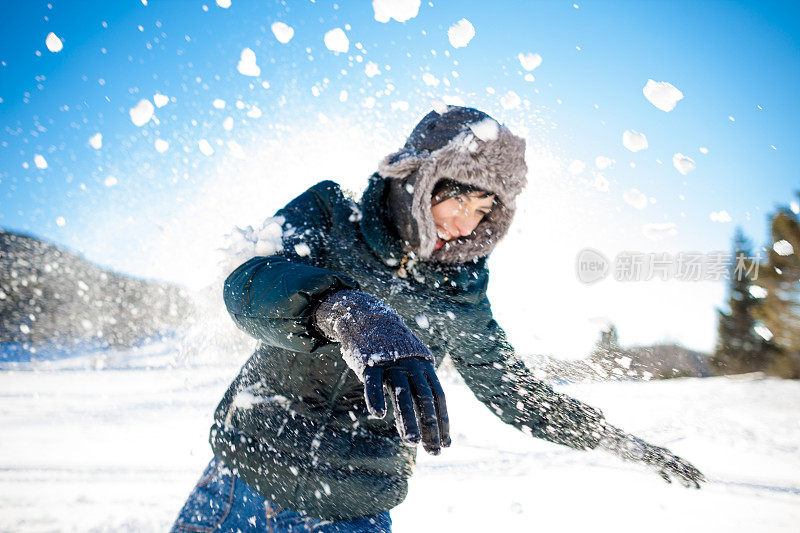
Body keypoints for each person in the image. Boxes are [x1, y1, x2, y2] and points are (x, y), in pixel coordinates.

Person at [171, 106, 705, 533]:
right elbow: (248, 280)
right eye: (457, 199)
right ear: (418, 179)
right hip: (245, 472)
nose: (466, 222)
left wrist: (609, 437)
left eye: (484, 209)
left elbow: (513, 390)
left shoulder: (462, 296)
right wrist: (346, 311)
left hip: (352, 504)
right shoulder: (332, 214)